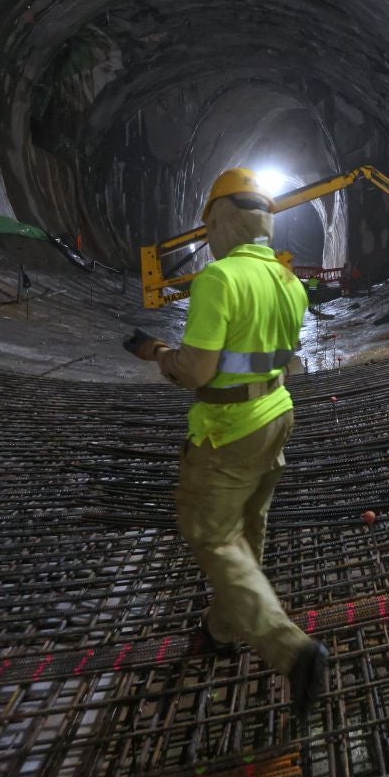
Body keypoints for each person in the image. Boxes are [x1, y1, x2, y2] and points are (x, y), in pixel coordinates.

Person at [125, 167, 328, 724]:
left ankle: (293, 651)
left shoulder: (219, 279)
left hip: (227, 430)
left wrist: (156, 354)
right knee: (248, 531)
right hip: (277, 416)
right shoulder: (290, 283)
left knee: (212, 537)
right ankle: (221, 630)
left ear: (220, 220)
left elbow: (197, 371)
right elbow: (280, 357)